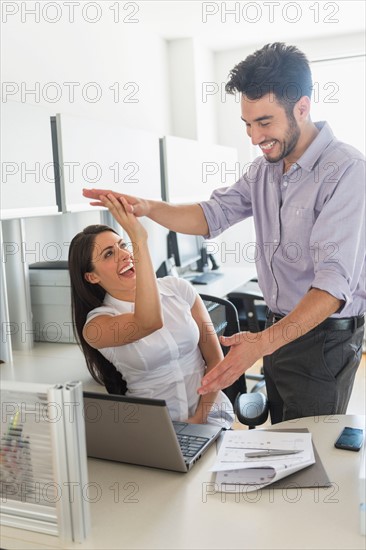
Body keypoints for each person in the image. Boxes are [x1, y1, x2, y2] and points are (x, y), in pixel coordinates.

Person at [83, 42, 365, 424]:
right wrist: (148, 208)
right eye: (247, 124)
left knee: (309, 449)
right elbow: (210, 215)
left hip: (323, 335)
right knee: (283, 437)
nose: (254, 137)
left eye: (264, 122)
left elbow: (332, 287)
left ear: (302, 106)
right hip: (278, 324)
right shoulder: (264, 170)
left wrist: (260, 345)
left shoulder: (347, 171)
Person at [68, 193, 234, 428]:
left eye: (123, 245)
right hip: (155, 429)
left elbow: (215, 358)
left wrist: (200, 417)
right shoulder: (96, 327)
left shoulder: (179, 288)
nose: (125, 255)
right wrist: (139, 239)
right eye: (109, 254)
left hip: (210, 414)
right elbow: (148, 322)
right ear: (91, 276)